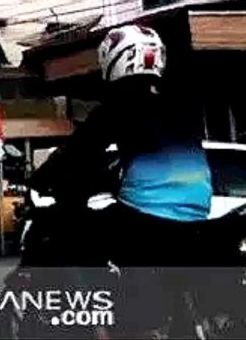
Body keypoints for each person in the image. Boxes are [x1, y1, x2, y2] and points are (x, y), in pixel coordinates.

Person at [29, 24, 212, 330]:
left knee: (75, 236)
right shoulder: (181, 102)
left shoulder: (119, 104)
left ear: (114, 60)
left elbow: (79, 151)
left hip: (148, 213)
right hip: (199, 209)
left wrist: (41, 178)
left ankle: (107, 321)